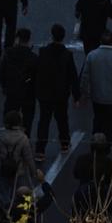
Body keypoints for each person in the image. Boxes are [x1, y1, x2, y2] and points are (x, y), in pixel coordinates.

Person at [35, 24, 80, 160]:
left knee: (44, 120)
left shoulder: (43, 52)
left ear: (52, 35)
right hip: (61, 94)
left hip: (45, 93)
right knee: (62, 119)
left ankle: (40, 150)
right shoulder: (67, 55)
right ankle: (65, 144)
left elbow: (38, 71)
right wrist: (76, 96)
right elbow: (73, 76)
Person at [80, 29, 112, 144]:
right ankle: (106, 147)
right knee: (110, 123)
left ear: (100, 41)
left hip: (97, 96)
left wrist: (84, 94)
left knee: (97, 120)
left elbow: (85, 77)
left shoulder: (92, 55)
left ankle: (95, 144)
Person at [0, 111, 37, 208]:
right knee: (19, 194)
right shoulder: (23, 138)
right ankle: (15, 212)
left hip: (2, 169)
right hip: (18, 171)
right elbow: (29, 158)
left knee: (1, 193)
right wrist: (33, 172)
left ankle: (4, 211)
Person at [0, 28, 38, 138]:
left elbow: (2, 72)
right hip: (28, 92)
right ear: (29, 40)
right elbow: (36, 77)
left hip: (12, 90)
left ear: (17, 38)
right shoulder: (33, 57)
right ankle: (25, 138)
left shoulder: (9, 53)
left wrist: (4, 87)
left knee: (9, 115)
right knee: (28, 118)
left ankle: (8, 136)